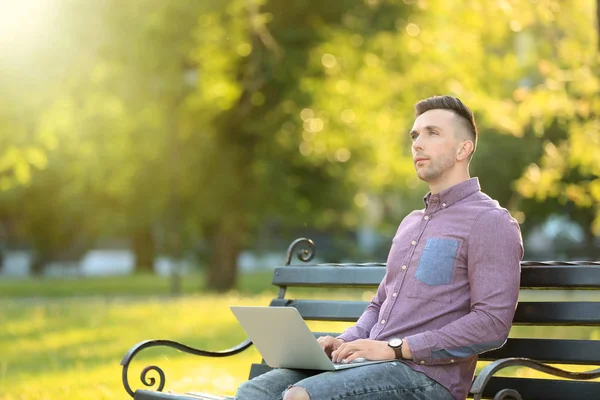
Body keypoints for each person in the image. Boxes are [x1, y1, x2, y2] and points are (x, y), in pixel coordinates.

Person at [235, 95, 524, 400]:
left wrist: (397, 349)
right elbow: (379, 306)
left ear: (463, 149)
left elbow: (491, 323)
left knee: (302, 395)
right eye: (415, 135)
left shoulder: (489, 221)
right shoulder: (411, 223)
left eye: (432, 133)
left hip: (428, 379)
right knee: (256, 391)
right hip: (369, 365)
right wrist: (344, 342)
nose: (417, 143)